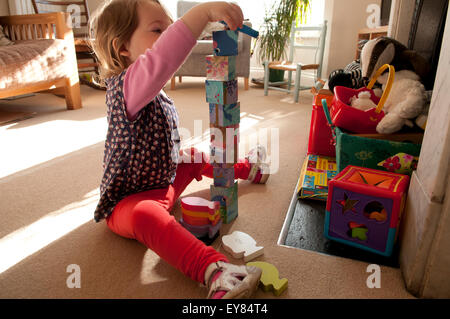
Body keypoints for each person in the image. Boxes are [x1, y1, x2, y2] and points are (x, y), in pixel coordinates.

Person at [90, 0, 269, 299]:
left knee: (197, 154)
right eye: (158, 29)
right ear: (122, 47)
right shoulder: (125, 87)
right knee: (146, 214)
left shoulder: (154, 92)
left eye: (169, 28)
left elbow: (163, 139)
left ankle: (247, 168)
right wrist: (202, 13)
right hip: (127, 202)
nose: (168, 34)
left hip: (163, 183)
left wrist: (181, 156)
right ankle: (216, 271)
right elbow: (164, 57)